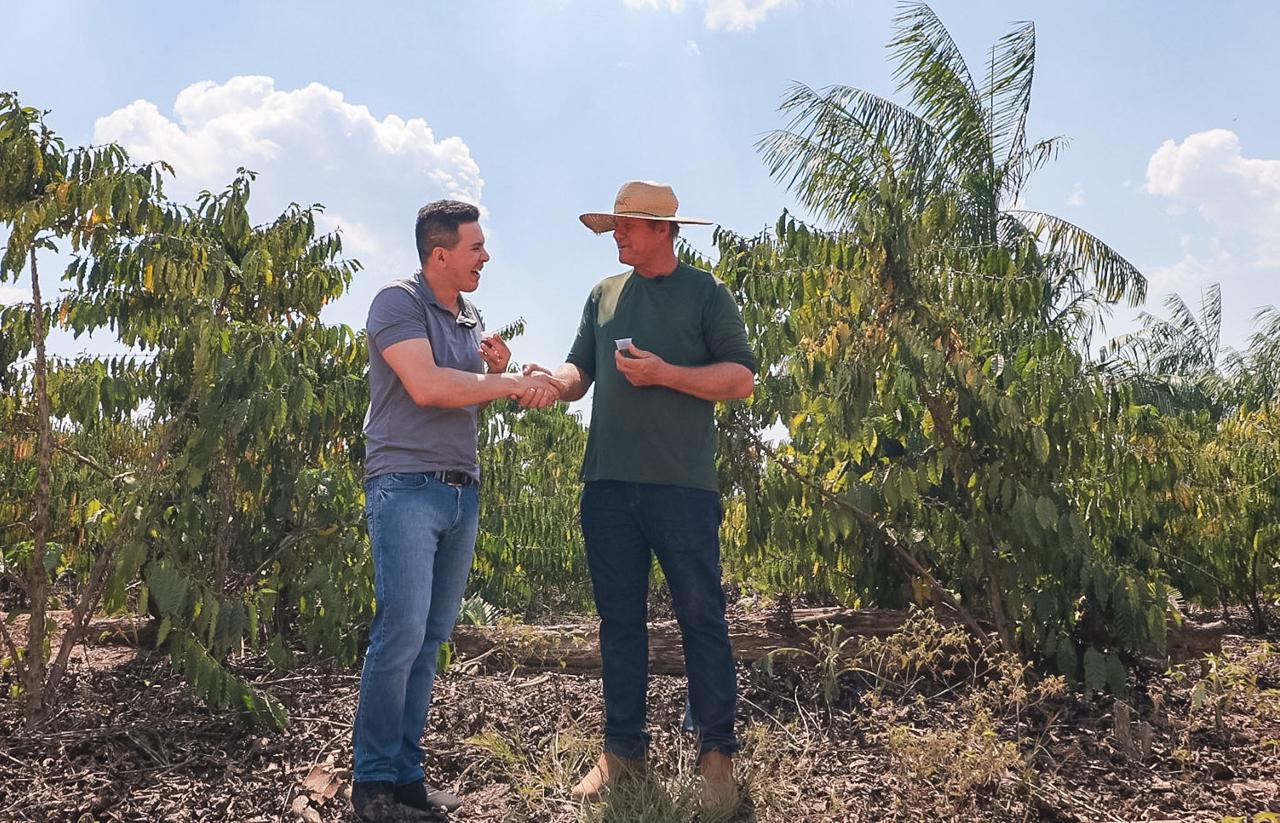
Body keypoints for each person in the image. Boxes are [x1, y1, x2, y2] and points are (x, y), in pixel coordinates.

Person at [526, 180, 756, 815]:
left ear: (662, 231)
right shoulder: (602, 296)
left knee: (702, 620)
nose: (617, 235)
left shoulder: (707, 294)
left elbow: (740, 378)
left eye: (627, 225)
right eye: (615, 226)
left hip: (682, 489)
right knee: (618, 624)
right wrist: (550, 378)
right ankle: (623, 753)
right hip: (607, 486)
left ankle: (716, 757)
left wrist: (665, 374)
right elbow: (579, 375)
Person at [352, 200, 561, 822]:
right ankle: (372, 786)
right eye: (476, 248)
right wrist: (507, 383)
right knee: (402, 631)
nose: (486, 257)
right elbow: (428, 386)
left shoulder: (468, 315)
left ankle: (407, 778)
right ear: (439, 253)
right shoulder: (397, 302)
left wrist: (497, 369)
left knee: (431, 637)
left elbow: (464, 388)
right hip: (406, 486)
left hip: (459, 490)